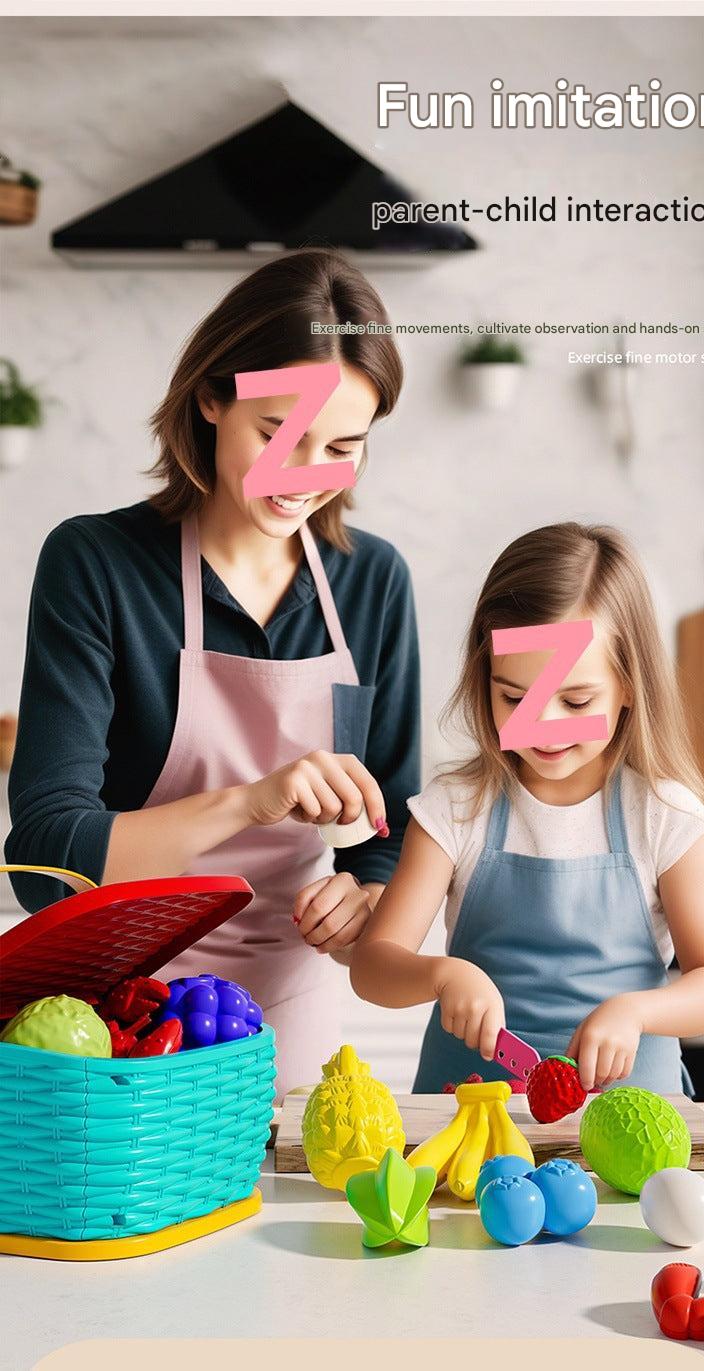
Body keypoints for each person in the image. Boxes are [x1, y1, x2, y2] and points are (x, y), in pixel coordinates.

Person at [6, 249, 421, 1100]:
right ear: (211, 396)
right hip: (117, 1025)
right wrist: (250, 799)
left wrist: (368, 895)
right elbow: (46, 857)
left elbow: (396, 825)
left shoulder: (372, 582)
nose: (304, 476)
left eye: (342, 445)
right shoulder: (97, 564)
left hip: (289, 1017)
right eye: (277, 433)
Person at [350, 522, 704, 1095]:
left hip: (630, 1106)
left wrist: (635, 1012)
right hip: (475, 1109)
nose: (543, 725)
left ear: (629, 684)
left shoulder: (661, 814)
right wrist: (440, 974)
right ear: (484, 679)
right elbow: (373, 966)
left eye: (576, 699)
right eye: (514, 696)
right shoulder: (456, 810)